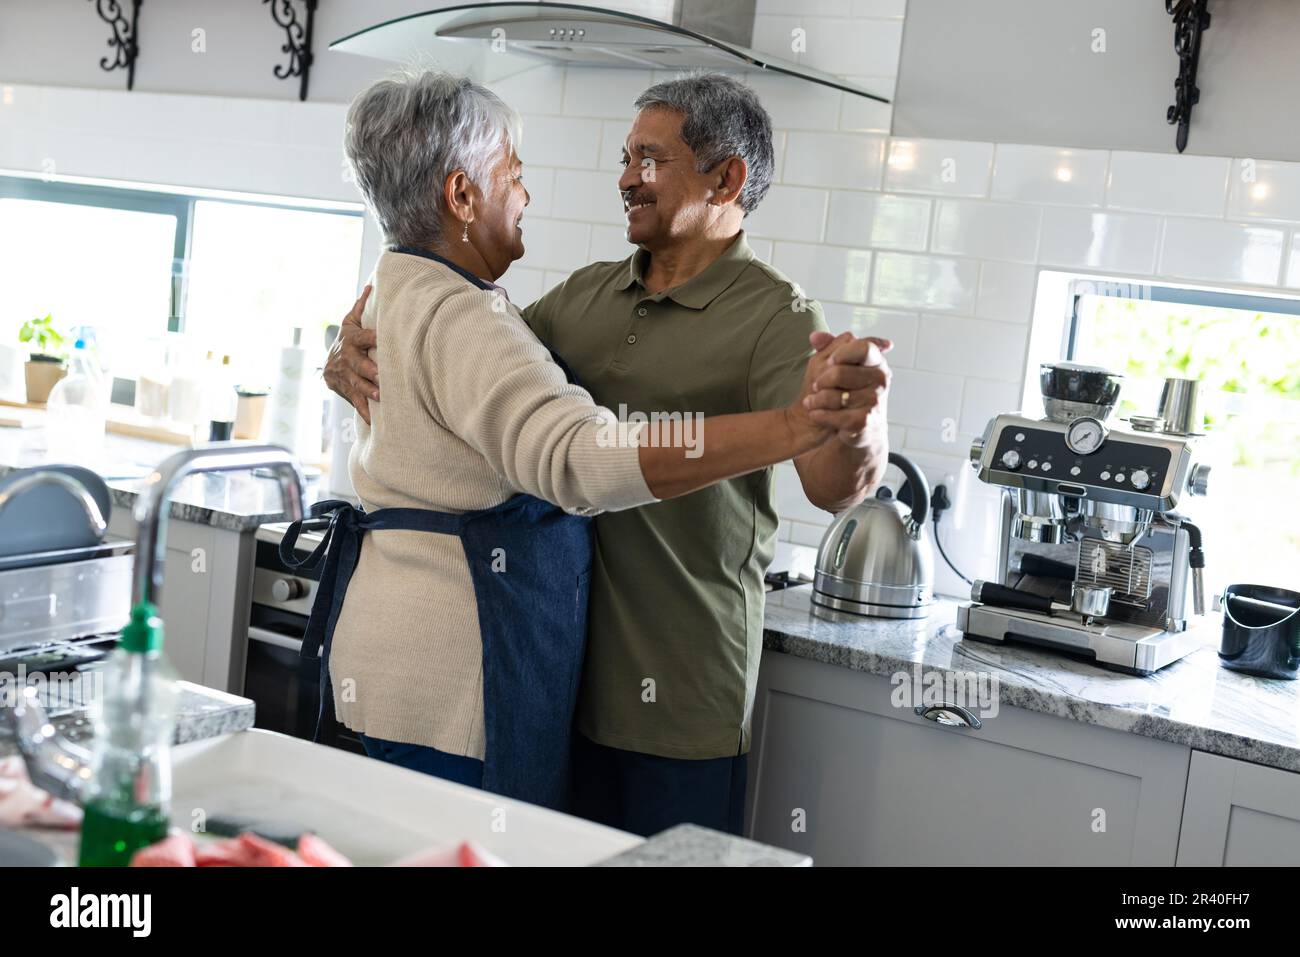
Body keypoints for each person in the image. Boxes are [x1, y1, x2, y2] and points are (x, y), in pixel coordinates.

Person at [294, 68, 875, 811]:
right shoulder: (577, 297)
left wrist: (848, 424)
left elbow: (833, 486)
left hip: (677, 697)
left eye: (650, 161)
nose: (627, 179)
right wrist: (343, 353)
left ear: (726, 179)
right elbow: (513, 410)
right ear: (461, 195)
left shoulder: (779, 314)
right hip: (541, 680)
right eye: (626, 158)